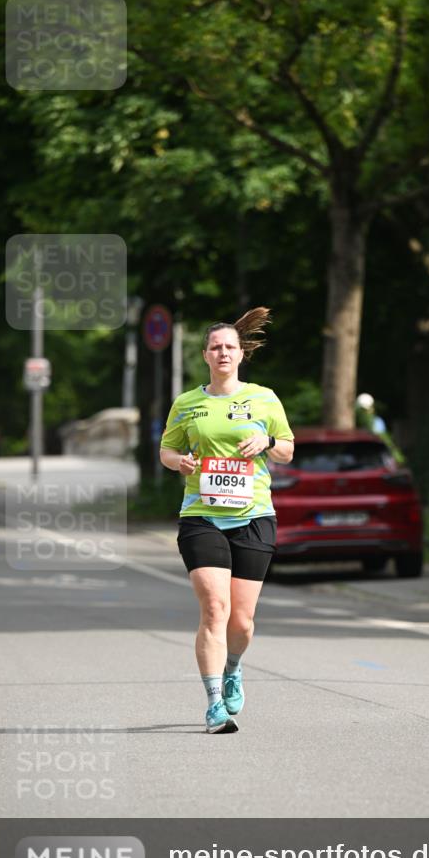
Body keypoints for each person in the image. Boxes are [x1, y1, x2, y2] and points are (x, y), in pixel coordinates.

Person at [159, 308, 294, 734]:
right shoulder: (187, 404)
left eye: (229, 347)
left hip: (253, 515)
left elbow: (288, 448)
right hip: (202, 515)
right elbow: (166, 451)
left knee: (242, 620)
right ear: (205, 355)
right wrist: (178, 461)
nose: (222, 353)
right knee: (214, 609)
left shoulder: (264, 398)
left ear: (240, 355)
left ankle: (233, 667)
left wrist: (268, 441)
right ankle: (215, 703)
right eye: (215, 347)